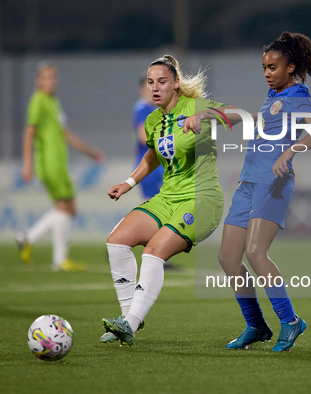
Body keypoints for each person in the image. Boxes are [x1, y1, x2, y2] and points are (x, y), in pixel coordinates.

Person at [100, 55, 243, 346]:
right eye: (151, 82)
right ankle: (128, 320)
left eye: (162, 81)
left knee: (153, 252)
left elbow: (239, 114)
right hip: (167, 198)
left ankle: (130, 321)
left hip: (201, 200)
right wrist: (128, 183)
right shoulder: (153, 120)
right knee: (116, 241)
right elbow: (153, 153)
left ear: (176, 83)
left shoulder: (195, 106)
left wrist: (204, 116)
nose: (155, 88)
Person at [218, 32, 311, 352]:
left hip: (274, 184)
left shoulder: (297, 95)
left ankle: (291, 321)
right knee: (227, 258)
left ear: (291, 67)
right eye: (264, 67)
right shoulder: (274, 95)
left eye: (273, 67)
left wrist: (291, 150)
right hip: (249, 183)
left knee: (255, 254)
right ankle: (255, 326)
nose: (267, 73)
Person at [16, 63, 104, 272]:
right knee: (68, 208)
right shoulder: (38, 101)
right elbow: (29, 131)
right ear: (38, 80)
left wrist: (88, 151)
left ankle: (41, 247)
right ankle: (39, 245)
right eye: (46, 77)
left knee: (66, 209)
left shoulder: (52, 102)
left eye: (53, 77)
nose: (51, 81)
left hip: (59, 162)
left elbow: (64, 133)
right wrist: (27, 164)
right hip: (49, 163)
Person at [133, 76, 162, 201]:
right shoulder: (142, 109)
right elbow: (143, 138)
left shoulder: (160, 108)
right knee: (151, 204)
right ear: (141, 90)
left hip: (160, 161)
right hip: (149, 163)